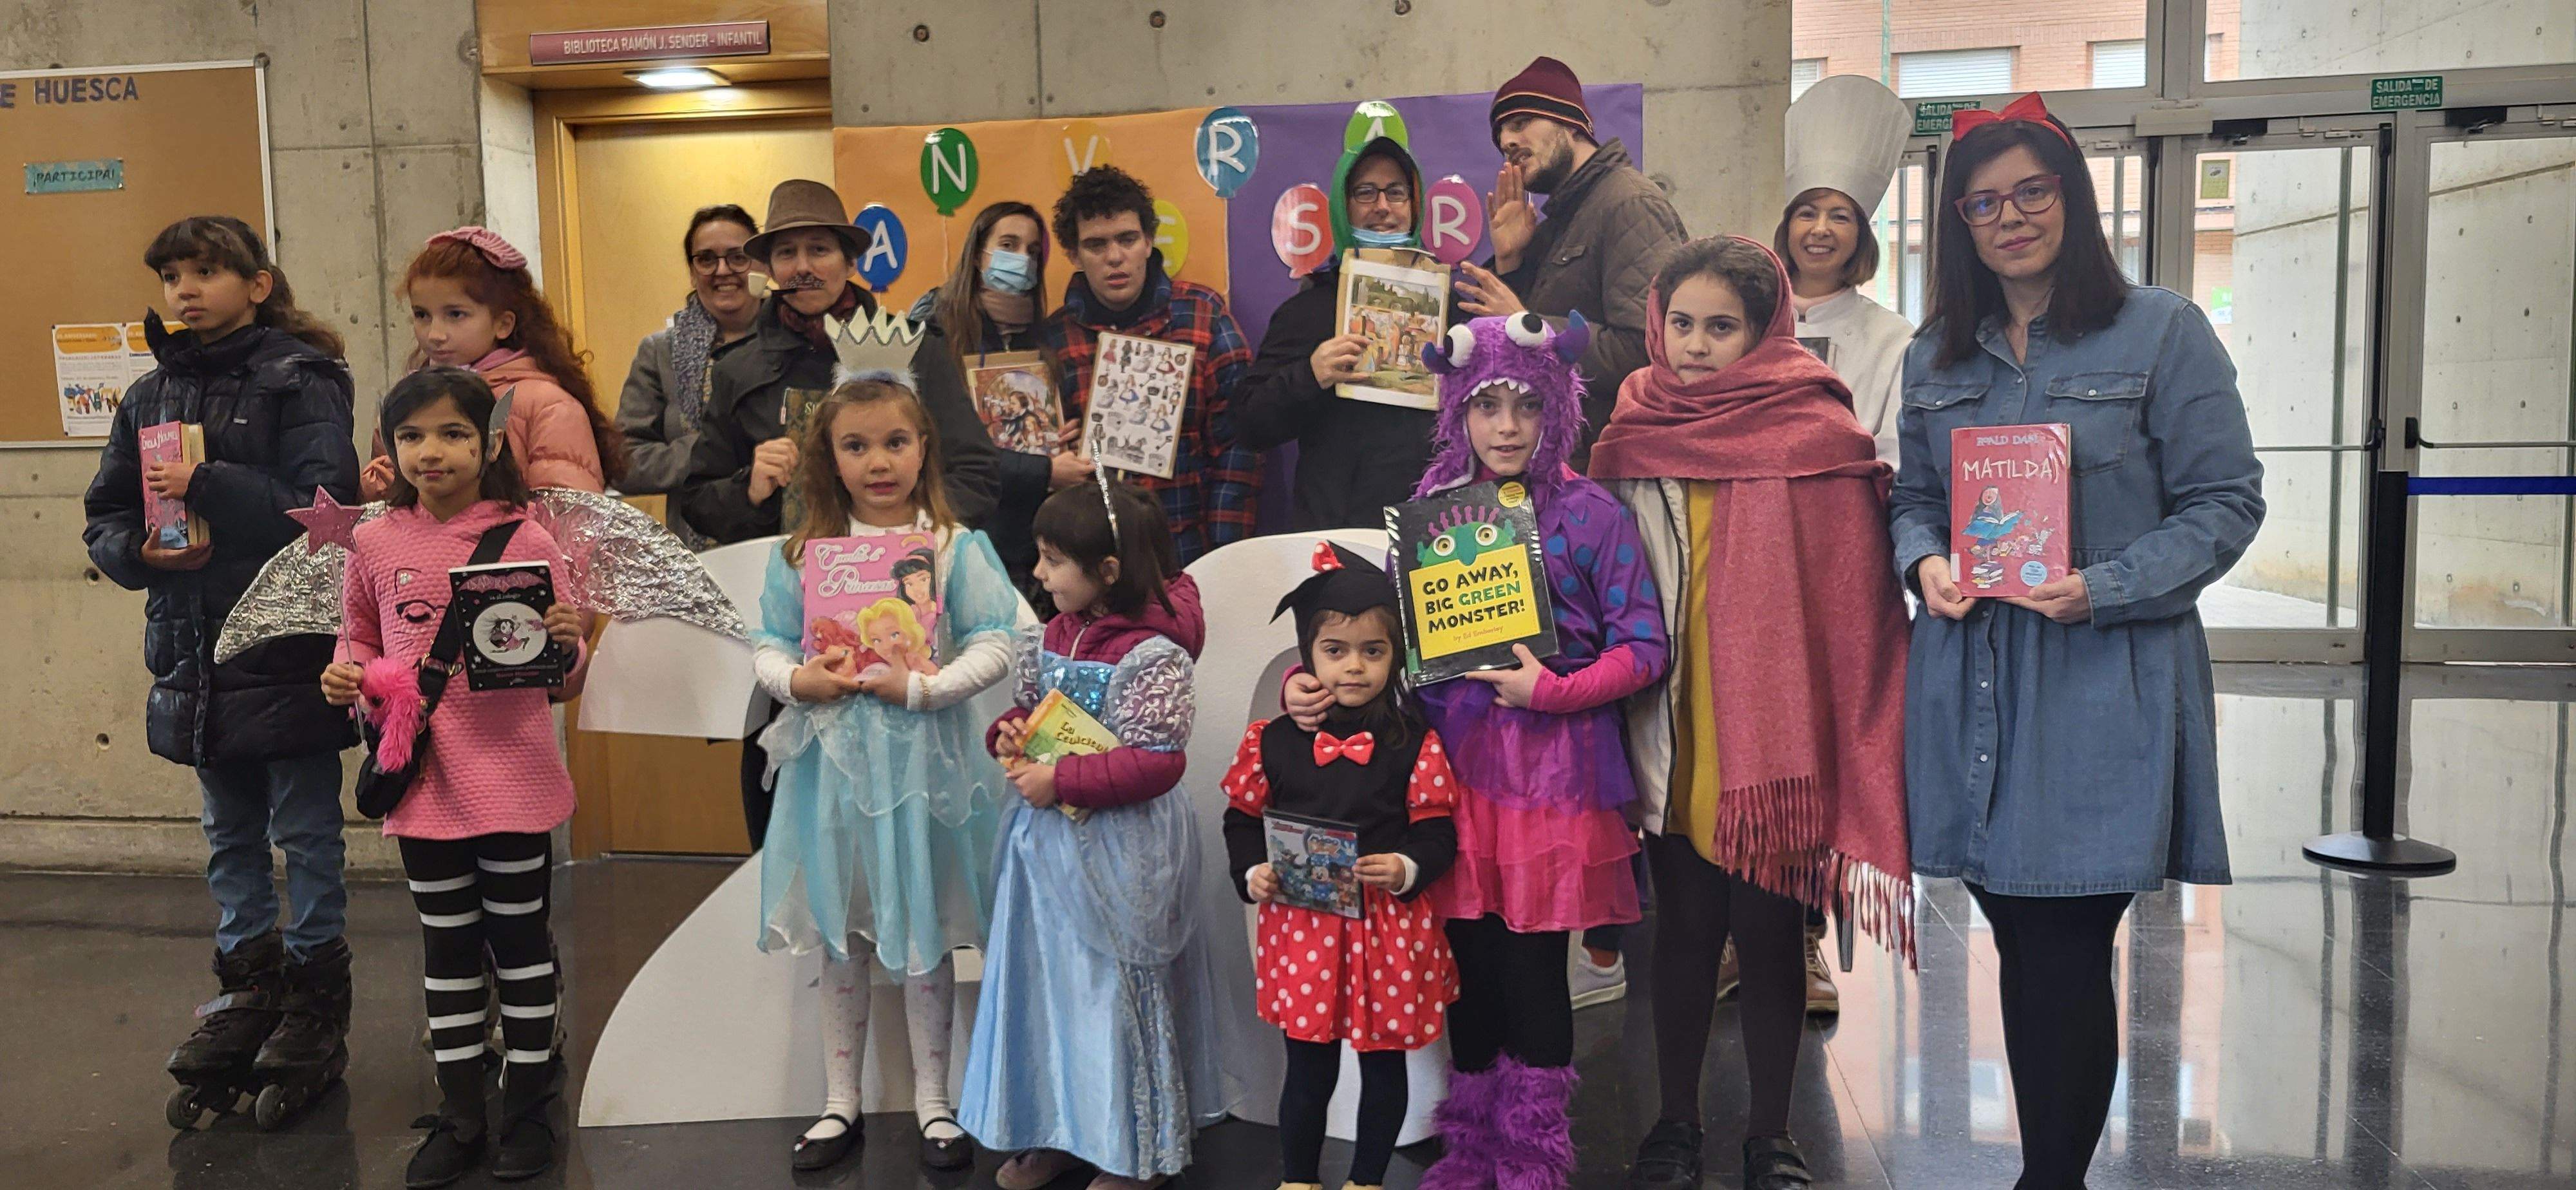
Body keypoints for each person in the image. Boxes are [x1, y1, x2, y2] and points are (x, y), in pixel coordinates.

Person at [1890, 94, 2264, 1189]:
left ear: (2074, 199)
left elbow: (2226, 502)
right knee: (2021, 932)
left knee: (2062, 939)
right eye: (1983, 203)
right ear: (1958, 224)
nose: (2009, 218)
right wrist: (1924, 562)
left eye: (2031, 192)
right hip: (1973, 678)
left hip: (2102, 677)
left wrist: (2105, 586)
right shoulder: (1934, 352)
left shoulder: (2162, 331)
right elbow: (1914, 496)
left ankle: (2050, 1176)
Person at [1284, 312, 1667, 1190]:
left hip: (1554, 785)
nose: (1506, 427)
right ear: (1457, 409)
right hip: (1449, 781)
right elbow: (1388, 647)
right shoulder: (1433, 514)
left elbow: (1645, 648)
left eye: (1527, 406)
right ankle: (1473, 1148)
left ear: (1557, 409)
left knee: (1533, 973)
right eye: (1486, 405)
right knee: (1469, 971)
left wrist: (1553, 690)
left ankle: (1531, 1155)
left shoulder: (1592, 515)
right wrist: (1317, 685)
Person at [1589, 237, 1914, 1190]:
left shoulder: (1817, 432)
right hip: (1668, 723)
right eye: (1681, 323)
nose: (1695, 345)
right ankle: (1675, 1123)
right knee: (1683, 932)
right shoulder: (1631, 429)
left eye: (1721, 327)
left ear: (1765, 332)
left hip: (1776, 739)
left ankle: (1771, 1133)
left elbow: (1856, 600)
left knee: (1770, 937)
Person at [84, 216, 361, 1130]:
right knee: (229, 837)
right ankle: (246, 991)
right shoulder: (148, 394)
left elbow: (325, 509)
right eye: (172, 276)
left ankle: (315, 1000)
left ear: (258, 283)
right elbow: (107, 513)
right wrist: (137, 553)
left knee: (307, 832)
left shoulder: (303, 379)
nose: (186, 290)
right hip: (192, 652)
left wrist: (206, 485)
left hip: (285, 648)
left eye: (206, 271)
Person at [322, 367, 591, 1186]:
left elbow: (562, 676)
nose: (430, 452)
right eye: (411, 436)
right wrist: (347, 673)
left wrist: (568, 639)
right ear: (390, 445)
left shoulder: (528, 538)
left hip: (514, 778)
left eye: (452, 434)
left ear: (488, 443)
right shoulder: (373, 541)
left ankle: (531, 1104)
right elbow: (358, 633)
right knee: (446, 947)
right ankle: (462, 1109)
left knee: (520, 944)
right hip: (423, 781)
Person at [748, 377, 1019, 1173]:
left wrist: (927, 689)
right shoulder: (802, 555)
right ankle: (841, 1100)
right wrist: (799, 681)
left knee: (924, 925)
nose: (878, 462)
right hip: (832, 773)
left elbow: (997, 640)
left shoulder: (954, 546)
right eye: (856, 445)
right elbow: (768, 644)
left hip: (926, 769)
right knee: (844, 932)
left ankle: (935, 1100)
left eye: (895, 442)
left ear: (923, 447)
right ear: (828, 458)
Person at [683, 178, 1002, 848]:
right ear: (770, 267)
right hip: (797, 633)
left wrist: (914, 538)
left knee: (907, 833)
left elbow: (976, 473)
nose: (803, 266)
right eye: (787, 252)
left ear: (849, 260)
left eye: (820, 249)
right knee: (795, 822)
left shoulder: (915, 348)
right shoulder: (738, 369)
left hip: (910, 634)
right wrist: (749, 488)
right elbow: (697, 503)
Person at [962, 480, 1229, 1190]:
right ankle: (1058, 1128)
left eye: (1053, 561)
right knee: (1050, 988)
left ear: (1108, 571)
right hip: (1046, 852)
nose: (1039, 574)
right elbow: (1030, 712)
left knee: (1111, 991)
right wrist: (1010, 734)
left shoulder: (1155, 653)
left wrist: (1064, 780)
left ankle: (1132, 1149)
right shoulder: (1052, 634)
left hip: (1122, 852)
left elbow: (1158, 760)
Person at [1220, 542, 1463, 1190]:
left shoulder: (1415, 741)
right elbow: (1241, 819)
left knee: (1384, 1068)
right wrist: (1253, 871)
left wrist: (1407, 866)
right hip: (1305, 931)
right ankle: (1299, 1178)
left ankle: (1366, 1180)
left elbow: (1438, 831)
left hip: (1387, 930)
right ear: (1308, 654)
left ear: (1395, 656)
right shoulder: (1272, 740)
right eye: (1335, 650)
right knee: (1306, 1069)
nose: (1353, 666)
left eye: (1373, 651)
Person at [1453, 55, 1686, 466]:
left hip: (1612, 470)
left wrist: (1529, 326)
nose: (1508, 141)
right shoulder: (1561, 219)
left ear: (1571, 123)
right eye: (1501, 136)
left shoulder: (1630, 204)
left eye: (1521, 122)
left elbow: (1648, 351)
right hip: (1562, 467)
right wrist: (1511, 262)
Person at [1036, 165, 1258, 565]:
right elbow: (1039, 460)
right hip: (1092, 563)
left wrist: (1223, 559)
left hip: (1187, 554)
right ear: (1073, 254)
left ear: (1149, 240)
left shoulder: (1203, 315)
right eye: (1096, 245)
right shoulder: (1053, 340)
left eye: (1127, 239)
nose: (1115, 257)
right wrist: (1055, 452)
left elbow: (1237, 447)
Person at [1235, 109, 1443, 531]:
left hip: (1432, 533)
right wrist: (1310, 374)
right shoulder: (1309, 308)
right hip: (1337, 533)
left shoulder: (1448, 305)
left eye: (1396, 193)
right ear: (1343, 207)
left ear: (1415, 205)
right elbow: (1247, 424)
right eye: (1365, 193)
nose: (1382, 207)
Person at [361, 226, 625, 499]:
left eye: (455, 314)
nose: (435, 334)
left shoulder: (547, 406)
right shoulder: (407, 399)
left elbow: (569, 512)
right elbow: (385, 505)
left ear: (503, 323)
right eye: (422, 315)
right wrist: (387, 480)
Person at [909, 200, 1091, 591]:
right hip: (963, 536)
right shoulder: (934, 332)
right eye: (1008, 245)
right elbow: (939, 446)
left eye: (1033, 251)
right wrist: (1045, 472)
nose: (1022, 259)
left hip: (1030, 545)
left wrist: (1058, 437)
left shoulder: (1041, 337)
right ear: (978, 254)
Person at [1777, 74, 1916, 468]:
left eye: (1839, 217)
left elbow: (1895, 455)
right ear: (1788, 228)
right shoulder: (1748, 323)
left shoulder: (1894, 339)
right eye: (1807, 214)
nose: (1820, 229)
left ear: (1860, 236)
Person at [616, 203, 763, 546]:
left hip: (781, 537)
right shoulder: (659, 353)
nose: (723, 270)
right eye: (706, 259)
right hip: (696, 551)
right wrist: (709, 451)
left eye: (738, 257)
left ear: (761, 265)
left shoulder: (793, 343)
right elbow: (623, 463)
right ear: (693, 272)